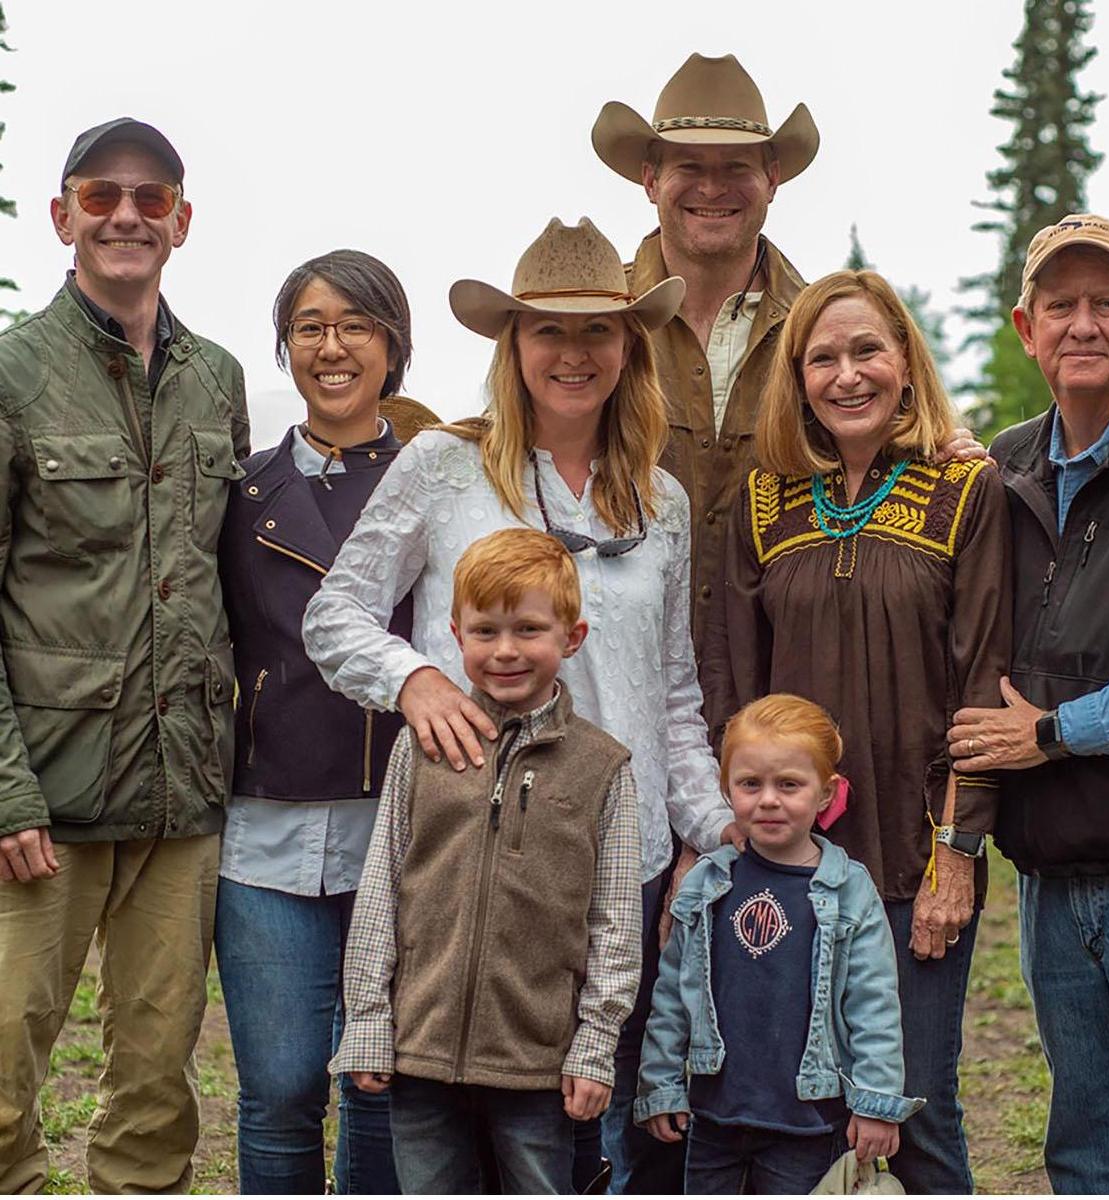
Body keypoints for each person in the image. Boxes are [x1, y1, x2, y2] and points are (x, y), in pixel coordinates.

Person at [303, 216, 736, 1193]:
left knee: (600, 1121)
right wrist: (413, 680)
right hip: (464, 848)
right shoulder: (445, 468)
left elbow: (672, 693)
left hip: (616, 854)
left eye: (597, 333)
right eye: (548, 330)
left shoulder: (657, 500)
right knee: (450, 1117)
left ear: (631, 346)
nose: (574, 355)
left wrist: (711, 826)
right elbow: (336, 616)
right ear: (514, 344)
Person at [702, 269, 1011, 1194]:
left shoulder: (966, 490)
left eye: (868, 350)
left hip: (917, 863)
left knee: (914, 1107)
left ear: (907, 365)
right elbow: (733, 678)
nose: (847, 374)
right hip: (791, 864)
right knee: (793, 1111)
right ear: (796, 379)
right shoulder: (766, 503)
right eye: (822, 357)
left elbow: (986, 685)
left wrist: (957, 852)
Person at [0, 118, 249, 1194]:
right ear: (63, 216)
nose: (126, 216)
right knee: (3, 1078)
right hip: (42, 802)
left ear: (182, 222)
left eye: (151, 199)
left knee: (157, 1095)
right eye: (101, 196)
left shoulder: (220, 378)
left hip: (180, 800)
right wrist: (6, 789)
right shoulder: (13, 374)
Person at [947, 214, 1109, 1195]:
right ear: (1025, 327)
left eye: (1108, 304)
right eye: (1062, 305)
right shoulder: (1005, 466)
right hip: (1052, 881)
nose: (1083, 324)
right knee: (1091, 1161)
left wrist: (1054, 733)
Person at [214, 249, 437, 1194]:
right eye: (310, 326)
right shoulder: (243, 490)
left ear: (394, 346)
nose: (333, 346)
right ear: (285, 348)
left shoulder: (439, 480)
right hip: (265, 829)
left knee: (385, 1084)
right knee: (280, 1088)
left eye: (357, 325)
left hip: (407, 826)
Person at [330, 527, 642, 1193]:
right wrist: (367, 1022)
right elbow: (382, 890)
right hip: (420, 1050)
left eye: (528, 630)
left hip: (536, 1061)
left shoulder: (603, 768)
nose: (505, 651)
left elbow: (614, 920)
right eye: (485, 631)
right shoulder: (421, 749)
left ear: (572, 637)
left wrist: (594, 1044)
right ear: (455, 634)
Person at [635, 694, 922, 1194]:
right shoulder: (707, 885)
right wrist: (660, 1085)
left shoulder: (848, 891)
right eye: (750, 784)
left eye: (789, 785)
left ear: (826, 793)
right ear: (727, 789)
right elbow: (671, 999)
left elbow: (874, 1006)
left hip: (809, 1119)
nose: (768, 799)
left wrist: (875, 1102)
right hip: (714, 1116)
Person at [591, 52, 816, 658]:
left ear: (772, 178)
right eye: (690, 164)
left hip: (781, 682)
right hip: (614, 673)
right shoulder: (587, 320)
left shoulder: (824, 331)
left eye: (736, 166)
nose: (712, 188)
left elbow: (897, 443)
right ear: (650, 179)